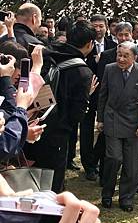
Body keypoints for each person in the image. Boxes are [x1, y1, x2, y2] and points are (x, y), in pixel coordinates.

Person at [24, 21, 95, 193]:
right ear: (90, 44)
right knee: (52, 182)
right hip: (57, 132)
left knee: (28, 178)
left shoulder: (47, 54)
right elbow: (76, 114)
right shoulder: (83, 72)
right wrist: (87, 96)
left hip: (31, 124)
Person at [97, 41, 138, 212]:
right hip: (112, 118)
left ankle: (126, 198)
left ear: (135, 57)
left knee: (132, 164)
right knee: (114, 158)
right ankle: (107, 193)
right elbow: (103, 95)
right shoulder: (109, 69)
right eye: (119, 55)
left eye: (125, 56)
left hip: (133, 121)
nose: (121, 59)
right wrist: (100, 119)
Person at [80, 14, 116, 180]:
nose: (98, 29)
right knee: (87, 129)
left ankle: (100, 159)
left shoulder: (113, 46)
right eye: (94, 26)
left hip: (107, 93)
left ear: (107, 27)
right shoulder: (85, 45)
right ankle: (89, 165)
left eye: (101, 26)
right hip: (90, 91)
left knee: (105, 129)